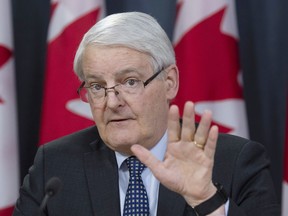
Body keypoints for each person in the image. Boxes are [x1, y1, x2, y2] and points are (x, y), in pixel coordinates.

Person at [13, 12, 280, 216]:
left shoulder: (237, 163)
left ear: (170, 81)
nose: (112, 102)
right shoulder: (55, 165)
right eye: (96, 86)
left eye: (130, 81)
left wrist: (206, 199)